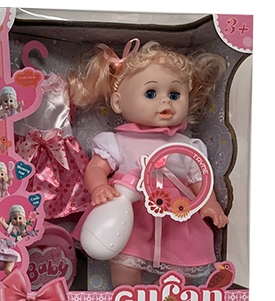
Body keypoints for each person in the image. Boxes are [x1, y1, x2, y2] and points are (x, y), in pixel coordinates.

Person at [69, 39, 228, 287]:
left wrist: (210, 204)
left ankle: (173, 300)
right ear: (119, 102)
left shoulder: (189, 146)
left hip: (177, 217)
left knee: (181, 264)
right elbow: (97, 167)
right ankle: (128, 297)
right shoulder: (118, 141)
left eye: (174, 95)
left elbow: (199, 179)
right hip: (132, 216)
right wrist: (98, 187)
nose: (166, 102)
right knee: (125, 263)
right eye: (151, 94)